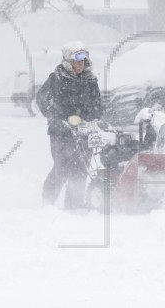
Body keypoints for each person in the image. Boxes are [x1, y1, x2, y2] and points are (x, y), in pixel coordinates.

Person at [36, 40, 102, 208]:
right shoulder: (56, 79)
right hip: (61, 133)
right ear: (67, 61)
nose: (80, 65)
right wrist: (56, 116)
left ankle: (74, 206)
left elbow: (97, 105)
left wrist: (92, 116)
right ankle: (48, 201)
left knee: (81, 171)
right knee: (62, 168)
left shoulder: (90, 81)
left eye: (82, 61)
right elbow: (42, 100)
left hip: (84, 133)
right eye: (76, 61)